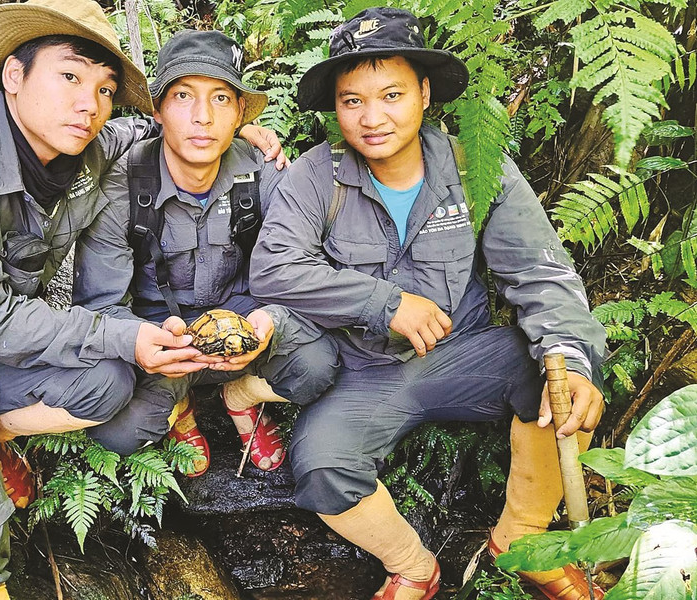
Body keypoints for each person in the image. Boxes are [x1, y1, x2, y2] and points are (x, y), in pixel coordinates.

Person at [0, 1, 285, 597]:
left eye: (104, 87)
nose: (88, 103)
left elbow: (157, 127)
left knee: (107, 383)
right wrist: (128, 335)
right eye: (69, 76)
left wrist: (232, 126)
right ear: (14, 77)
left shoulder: (86, 146)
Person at [250, 8, 607, 600]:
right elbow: (274, 269)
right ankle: (413, 566)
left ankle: (521, 542)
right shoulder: (318, 175)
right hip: (360, 371)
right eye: (351, 101)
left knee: (563, 378)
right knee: (321, 468)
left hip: (463, 354)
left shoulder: (474, 168)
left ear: (424, 92)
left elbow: (540, 273)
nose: (372, 118)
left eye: (391, 94)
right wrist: (384, 302)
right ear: (335, 109)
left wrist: (570, 351)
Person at [73, 30, 339, 475]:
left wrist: (270, 324)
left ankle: (242, 397)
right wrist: (147, 344)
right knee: (116, 432)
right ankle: (181, 407)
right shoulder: (121, 186)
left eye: (220, 99)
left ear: (238, 113)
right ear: (157, 110)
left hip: (245, 325)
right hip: (163, 335)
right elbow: (101, 305)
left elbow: (302, 269)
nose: (202, 117)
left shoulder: (264, 174)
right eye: (182, 96)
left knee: (319, 365)